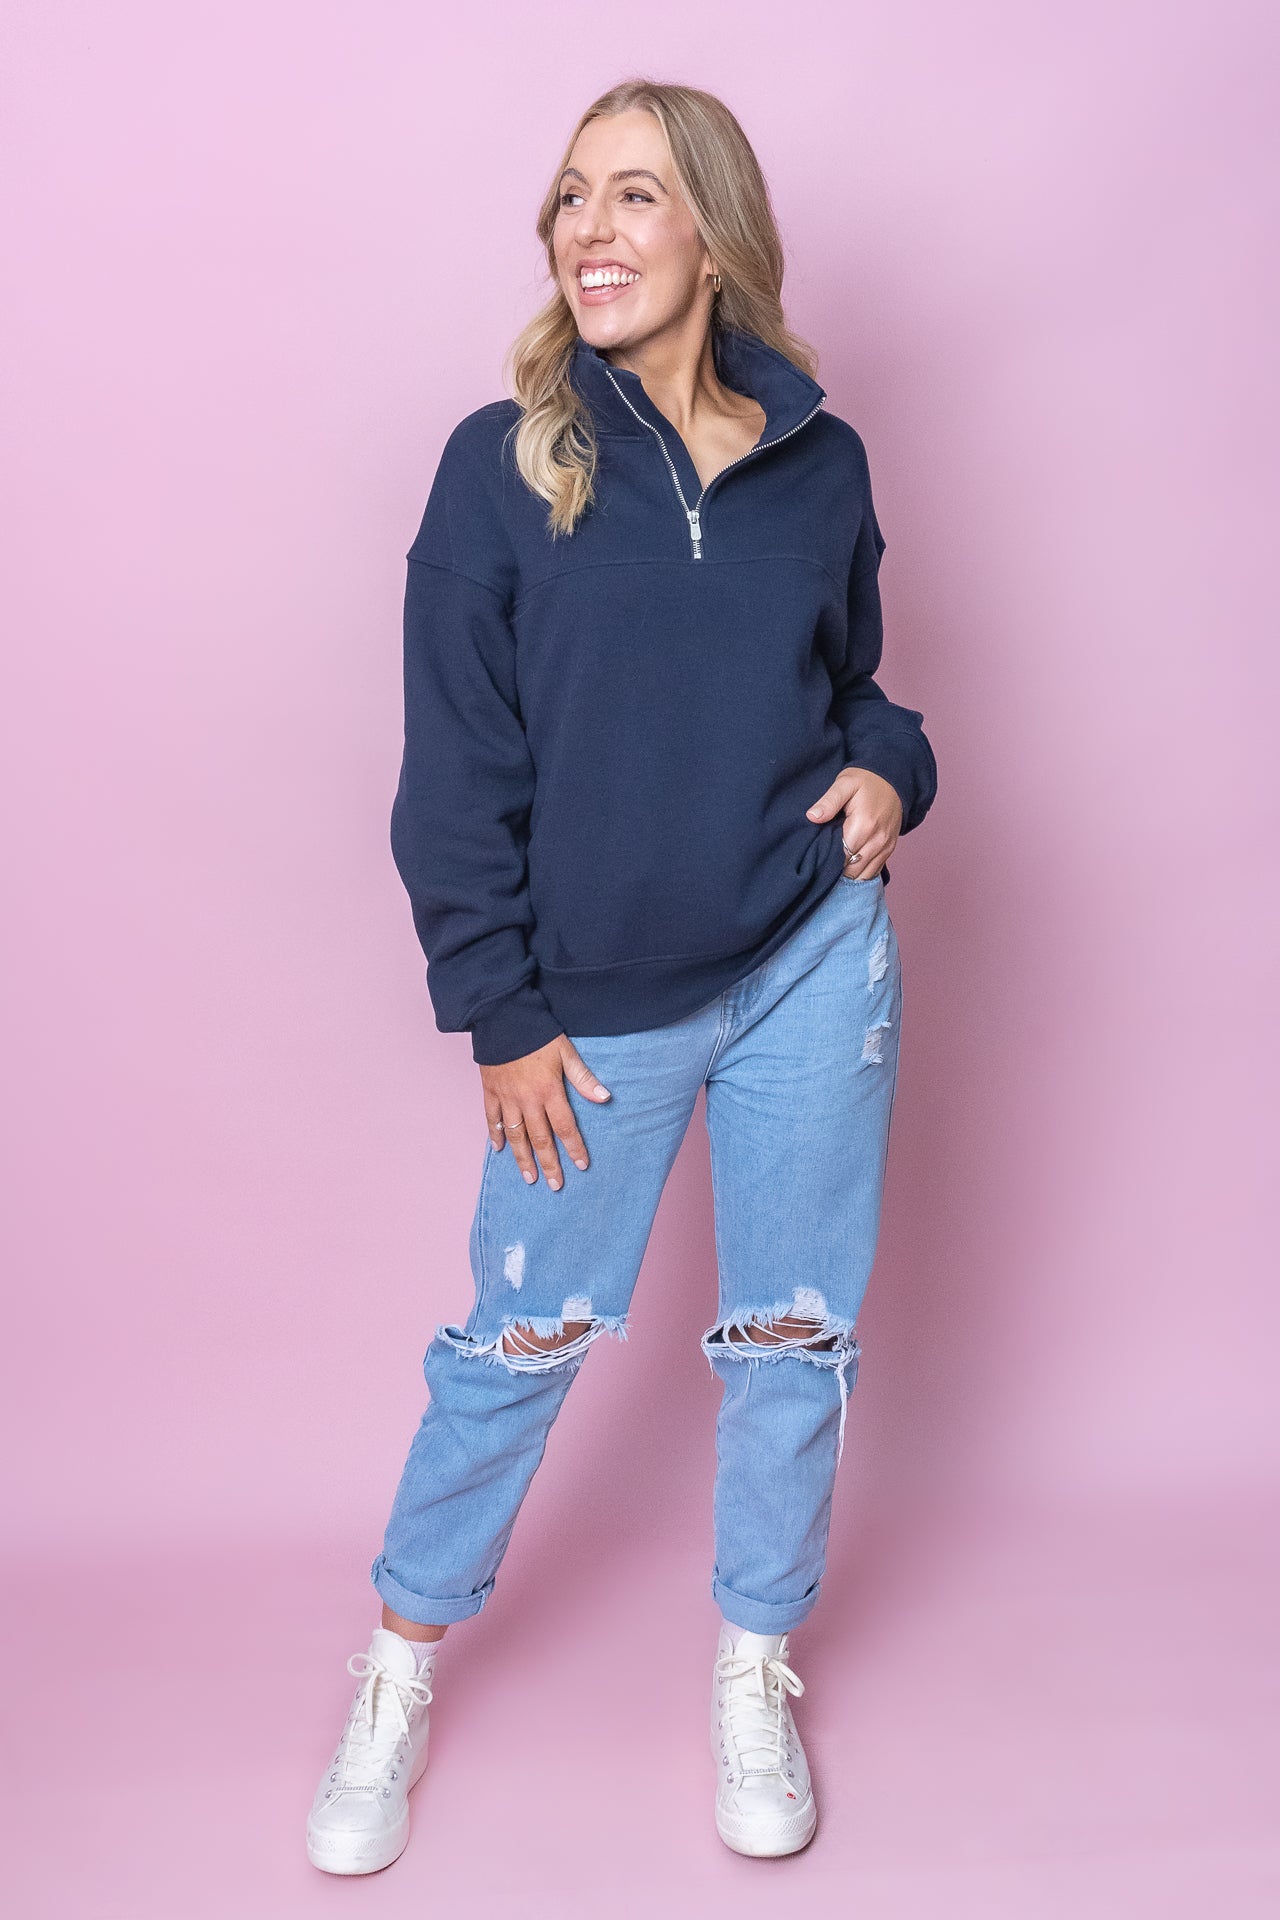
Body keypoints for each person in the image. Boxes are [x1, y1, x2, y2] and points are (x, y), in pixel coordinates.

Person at [306, 77, 938, 1875]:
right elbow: (453, 774)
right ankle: (395, 1672)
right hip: (590, 1010)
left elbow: (857, 692)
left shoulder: (823, 462)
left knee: (793, 1340)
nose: (588, 228)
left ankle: (753, 1669)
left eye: (635, 195)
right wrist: (502, 1013)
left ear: (714, 234)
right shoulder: (498, 466)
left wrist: (894, 770)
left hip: (812, 957)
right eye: (572, 196)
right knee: (519, 1343)